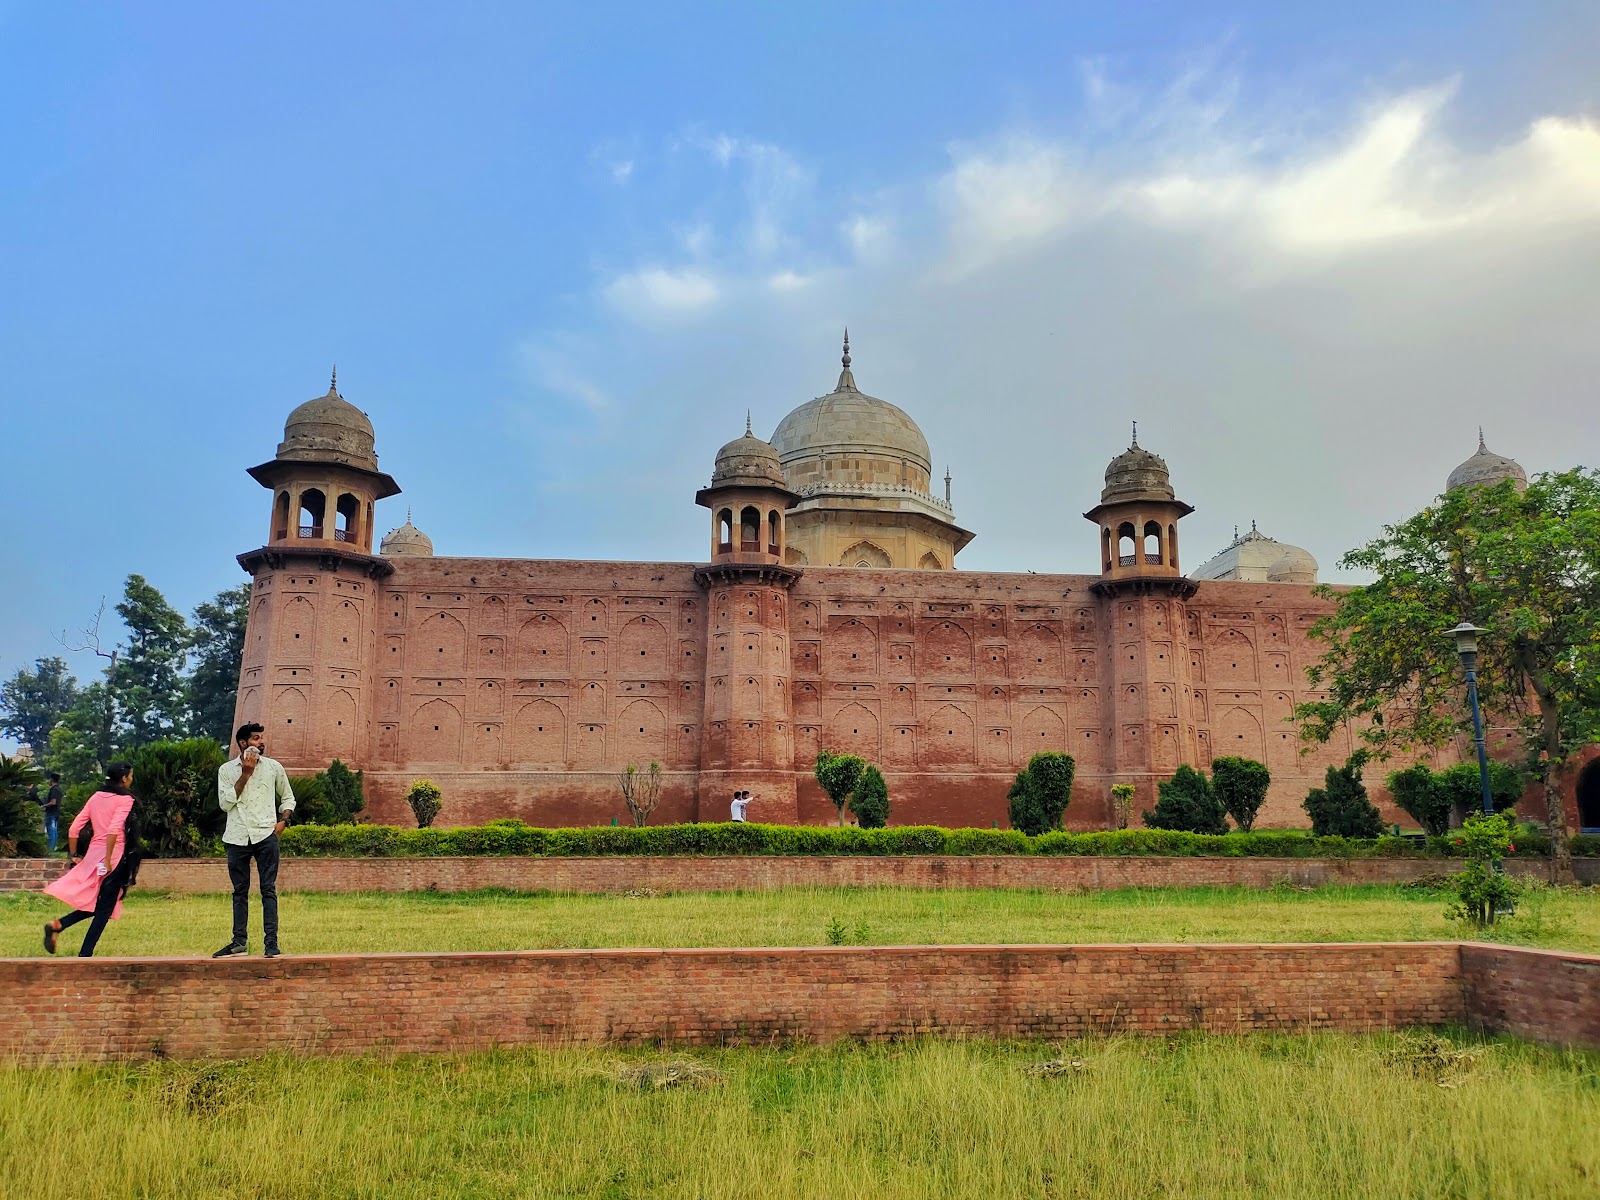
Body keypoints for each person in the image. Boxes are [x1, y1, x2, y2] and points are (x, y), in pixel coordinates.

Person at [41, 763, 141, 957]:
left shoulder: (96, 797)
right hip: (114, 856)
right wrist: (109, 861)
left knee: (100, 903)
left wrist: (73, 855)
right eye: (130, 776)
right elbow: (114, 830)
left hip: (93, 855)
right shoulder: (125, 800)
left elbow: (74, 829)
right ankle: (85, 954)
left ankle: (58, 925)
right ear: (123, 778)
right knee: (104, 908)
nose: (131, 779)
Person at [214, 722, 296, 959]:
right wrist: (246, 774)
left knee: (268, 890)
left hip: (265, 834)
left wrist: (284, 821)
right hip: (237, 835)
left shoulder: (273, 768)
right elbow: (225, 804)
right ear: (243, 743)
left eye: (261, 738)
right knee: (239, 891)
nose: (261, 742)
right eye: (256, 738)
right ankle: (239, 942)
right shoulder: (227, 770)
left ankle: (271, 944)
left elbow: (288, 797)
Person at [43, 772, 62, 853]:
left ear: (52, 780)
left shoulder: (53, 790)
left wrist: (44, 806)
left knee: (51, 831)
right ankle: (53, 848)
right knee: (54, 831)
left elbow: (53, 802)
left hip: (51, 813)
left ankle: (50, 849)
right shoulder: (59, 789)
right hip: (57, 812)